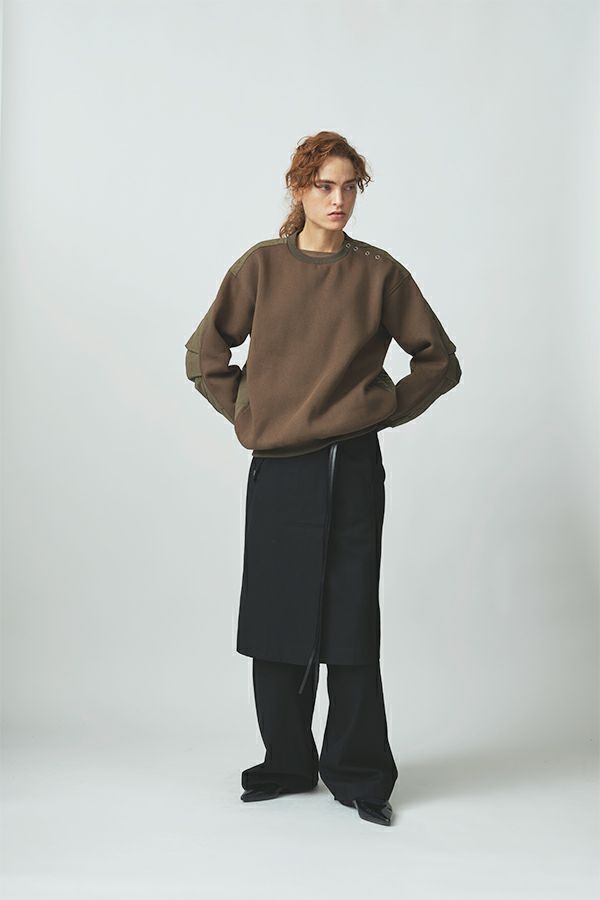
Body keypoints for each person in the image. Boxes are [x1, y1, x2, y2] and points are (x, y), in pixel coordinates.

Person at [184, 131, 462, 827]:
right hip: (279, 467)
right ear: (299, 188)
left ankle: (359, 774)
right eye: (324, 186)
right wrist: (249, 412)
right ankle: (286, 763)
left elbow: (438, 359)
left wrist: (381, 408)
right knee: (276, 616)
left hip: (350, 466)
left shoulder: (378, 274)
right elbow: (205, 354)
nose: (338, 200)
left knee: (349, 619)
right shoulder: (261, 267)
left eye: (349, 187)